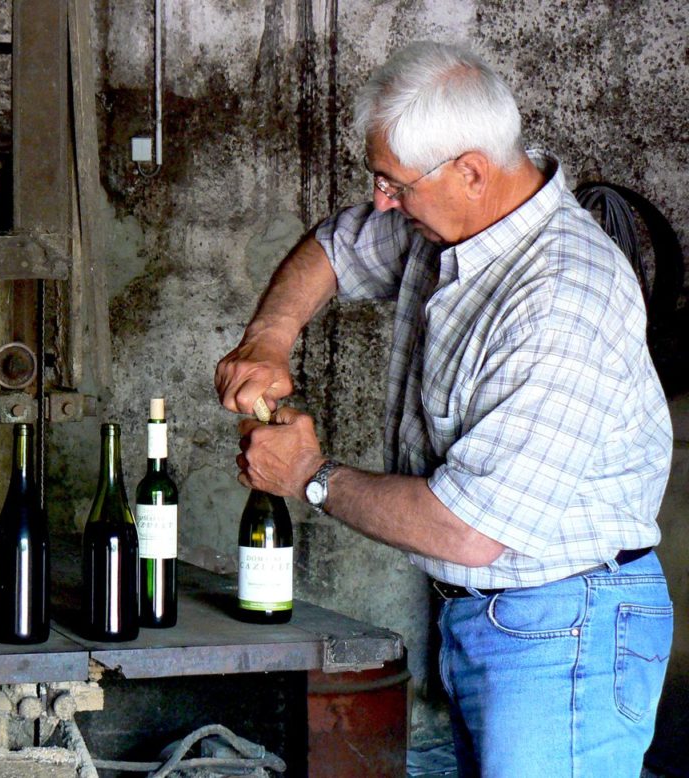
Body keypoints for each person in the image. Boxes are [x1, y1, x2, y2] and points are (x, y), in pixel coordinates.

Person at [215, 40, 673, 777]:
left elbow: (470, 527)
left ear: (471, 170)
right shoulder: (459, 222)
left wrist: (310, 476)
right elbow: (337, 245)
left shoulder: (557, 299)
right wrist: (270, 338)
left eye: (395, 184)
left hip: (566, 625)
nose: (382, 200)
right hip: (495, 615)